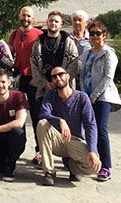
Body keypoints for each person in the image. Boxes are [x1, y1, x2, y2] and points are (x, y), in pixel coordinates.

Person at [37, 66, 101, 186]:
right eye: (54, 76)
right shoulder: (50, 95)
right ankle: (49, 171)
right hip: (56, 139)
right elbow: (43, 114)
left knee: (94, 166)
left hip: (74, 140)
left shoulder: (81, 97)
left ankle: (72, 166)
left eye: (61, 74)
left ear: (68, 76)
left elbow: (90, 125)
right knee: (42, 124)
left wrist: (93, 150)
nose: (58, 78)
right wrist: (60, 121)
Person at [30, 10, 79, 166]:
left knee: (68, 122)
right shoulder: (39, 41)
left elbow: (74, 64)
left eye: (56, 21)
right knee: (41, 121)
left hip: (65, 90)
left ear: (61, 24)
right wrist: (44, 84)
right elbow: (34, 64)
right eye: (51, 20)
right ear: (47, 22)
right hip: (44, 89)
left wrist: (61, 81)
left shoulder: (68, 41)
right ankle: (41, 152)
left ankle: (68, 154)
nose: (53, 23)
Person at [80, 20, 121, 182]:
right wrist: (84, 94)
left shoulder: (109, 54)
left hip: (102, 97)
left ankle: (106, 166)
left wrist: (94, 96)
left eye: (98, 33)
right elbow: (82, 75)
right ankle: (93, 160)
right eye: (92, 33)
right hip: (88, 95)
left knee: (101, 129)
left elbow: (108, 78)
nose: (95, 36)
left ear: (104, 35)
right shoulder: (87, 53)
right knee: (90, 128)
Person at [7, 6, 43, 158]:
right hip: (18, 80)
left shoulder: (40, 35)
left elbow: (44, 58)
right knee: (16, 116)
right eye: (23, 15)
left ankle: (40, 151)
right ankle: (14, 150)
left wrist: (39, 77)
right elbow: (8, 55)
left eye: (28, 16)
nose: (26, 18)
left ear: (33, 18)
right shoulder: (14, 34)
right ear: (19, 16)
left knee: (37, 117)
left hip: (34, 81)